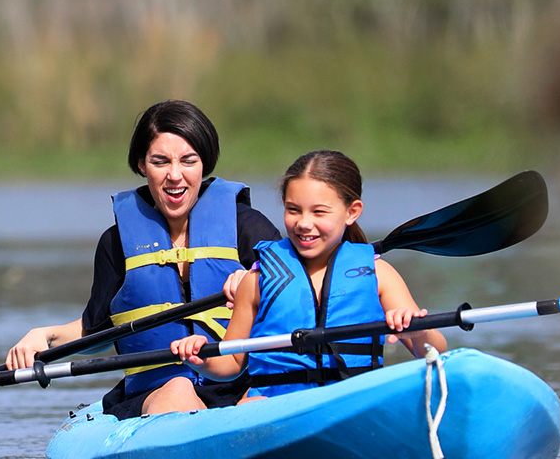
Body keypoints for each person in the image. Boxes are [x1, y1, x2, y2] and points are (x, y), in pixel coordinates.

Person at [5, 100, 279, 417]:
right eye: (160, 162)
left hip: (240, 384)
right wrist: (45, 336)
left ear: (204, 163)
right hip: (158, 392)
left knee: (258, 400)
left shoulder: (247, 226)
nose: (175, 175)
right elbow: (98, 331)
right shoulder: (116, 243)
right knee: (178, 388)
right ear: (141, 165)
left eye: (188, 161)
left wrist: (254, 278)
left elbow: (294, 291)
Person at [172, 149, 446, 400]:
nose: (304, 223)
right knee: (250, 402)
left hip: (353, 401)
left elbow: (436, 350)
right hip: (274, 405)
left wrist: (417, 331)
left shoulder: (379, 274)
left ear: (352, 212)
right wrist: (202, 357)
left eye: (319, 212)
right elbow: (231, 364)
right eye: (293, 210)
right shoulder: (256, 281)